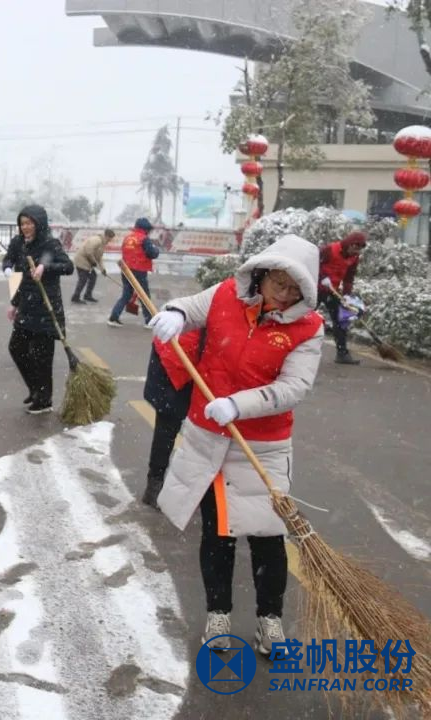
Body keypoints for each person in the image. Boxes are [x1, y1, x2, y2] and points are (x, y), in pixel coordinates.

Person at [147, 234, 324, 658]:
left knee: (268, 536)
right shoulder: (226, 293)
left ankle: (270, 621)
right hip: (209, 437)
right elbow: (192, 307)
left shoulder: (308, 328)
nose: (284, 295)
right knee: (218, 532)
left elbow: (294, 387)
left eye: (294, 289)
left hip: (261, 445)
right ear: (262, 274)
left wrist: (238, 405)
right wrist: (175, 313)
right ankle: (218, 615)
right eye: (278, 284)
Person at [1, 205, 75, 414]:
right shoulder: (19, 243)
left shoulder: (49, 244)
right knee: (16, 348)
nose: (25, 227)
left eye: (29, 223)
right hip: (26, 304)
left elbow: (68, 266)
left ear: (39, 223)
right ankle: (35, 388)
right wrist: (14, 298)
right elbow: (12, 264)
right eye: (22, 223)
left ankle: (44, 400)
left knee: (42, 357)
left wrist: (45, 267)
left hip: (46, 307)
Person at [141, 329, 205, 508]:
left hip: (190, 369)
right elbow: (177, 357)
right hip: (172, 372)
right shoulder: (185, 331)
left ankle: (195, 488)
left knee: (201, 434)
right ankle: (154, 484)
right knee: (167, 428)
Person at [318, 231, 367, 365]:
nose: (355, 251)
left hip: (332, 290)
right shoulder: (329, 250)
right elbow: (314, 263)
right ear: (349, 243)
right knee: (303, 316)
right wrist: (322, 277)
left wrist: (346, 295)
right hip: (316, 288)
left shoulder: (354, 257)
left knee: (341, 319)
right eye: (354, 247)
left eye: (359, 249)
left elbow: (349, 278)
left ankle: (342, 354)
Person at [108, 218, 159, 327]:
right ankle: (149, 321)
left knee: (126, 294)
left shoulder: (128, 237)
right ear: (145, 229)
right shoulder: (144, 239)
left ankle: (113, 317)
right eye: (148, 229)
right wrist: (156, 249)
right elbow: (152, 254)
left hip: (126, 269)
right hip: (139, 270)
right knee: (144, 295)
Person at [70, 228, 113, 303]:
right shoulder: (97, 240)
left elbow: (99, 258)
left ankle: (87, 295)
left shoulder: (102, 244)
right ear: (107, 236)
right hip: (82, 260)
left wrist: (103, 269)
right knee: (83, 279)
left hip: (87, 262)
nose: (110, 240)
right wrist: (93, 262)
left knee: (93, 277)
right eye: (110, 238)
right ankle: (75, 297)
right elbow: (88, 251)